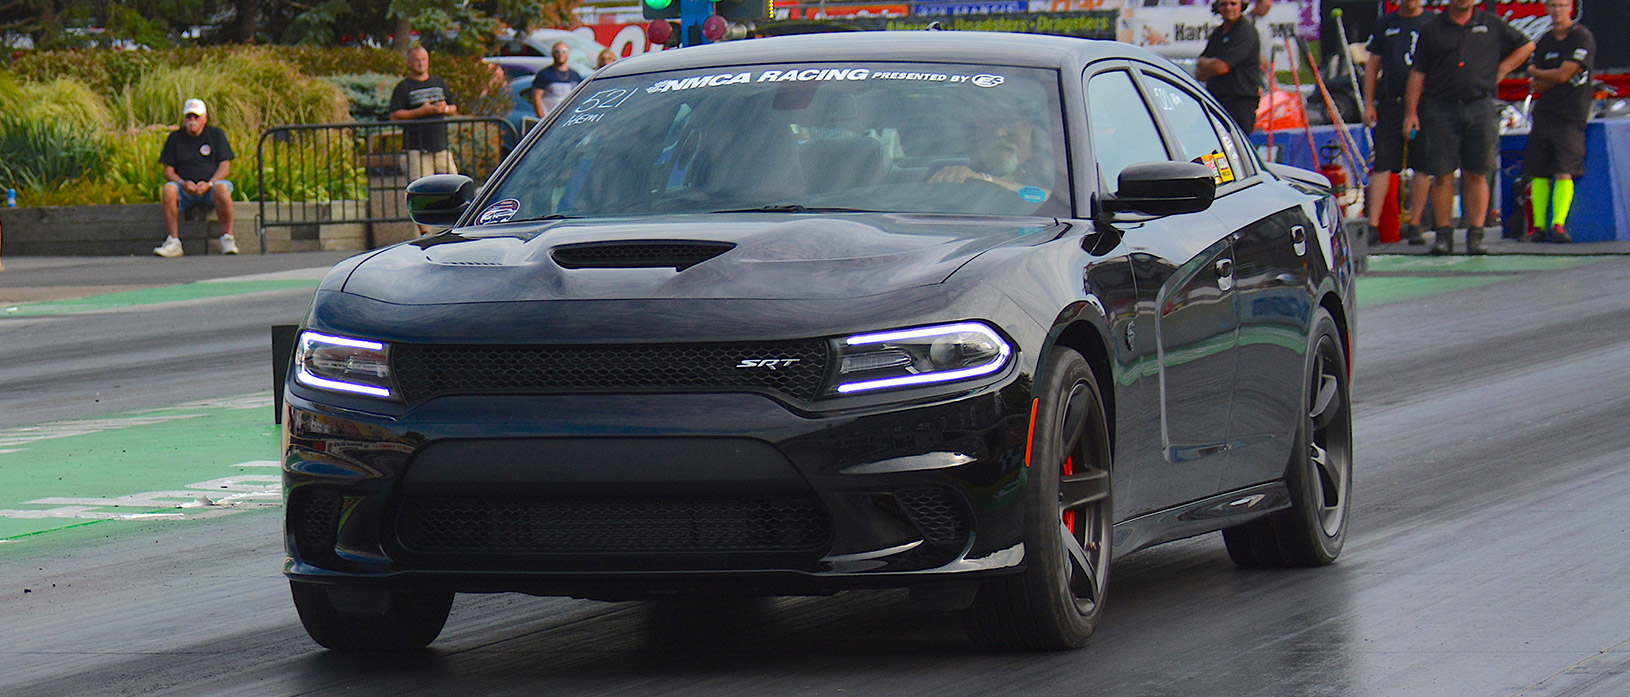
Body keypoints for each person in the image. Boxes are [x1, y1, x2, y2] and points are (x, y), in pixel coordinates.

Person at [1403, 0, 1533, 255]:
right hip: (1441, 107)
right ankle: (1443, 236)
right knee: (1442, 173)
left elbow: (1527, 45)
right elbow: (1417, 73)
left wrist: (1504, 68)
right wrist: (1411, 112)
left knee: (1478, 171)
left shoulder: (1490, 23)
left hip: (1479, 105)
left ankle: (1476, 235)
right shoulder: (1432, 28)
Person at [1361, 0, 1433, 246]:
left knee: (1422, 163)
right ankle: (1373, 224)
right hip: (1391, 102)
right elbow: (1373, 65)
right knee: (1383, 163)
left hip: (1425, 103)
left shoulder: (1431, 22)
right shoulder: (1386, 23)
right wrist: (1369, 102)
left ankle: (1416, 224)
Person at [1523, 0, 1594, 244]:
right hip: (1545, 113)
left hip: (1570, 114)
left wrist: (1541, 73)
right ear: (1546, 9)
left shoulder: (1581, 37)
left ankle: (1559, 224)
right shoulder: (1545, 40)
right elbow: (1537, 83)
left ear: (1571, 8)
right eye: (1553, 5)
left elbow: (1565, 72)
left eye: (1562, 5)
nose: (1557, 11)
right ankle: (1538, 227)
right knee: (1539, 171)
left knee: (1565, 170)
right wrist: (1550, 77)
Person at [155, 98, 237, 257]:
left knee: (222, 188)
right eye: (189, 117)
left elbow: (225, 166)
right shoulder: (175, 138)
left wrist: (210, 183)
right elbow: (168, 171)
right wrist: (182, 183)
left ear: (204, 118)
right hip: (185, 189)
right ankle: (173, 241)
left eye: (196, 117)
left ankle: (228, 238)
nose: (193, 121)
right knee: (169, 189)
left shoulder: (216, 134)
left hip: (210, 187)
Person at [390, 45, 460, 233]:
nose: (421, 63)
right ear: (409, 63)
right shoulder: (403, 87)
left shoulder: (439, 82)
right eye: (417, 60)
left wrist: (443, 109)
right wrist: (420, 112)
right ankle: (424, 231)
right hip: (417, 147)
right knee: (421, 189)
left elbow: (453, 107)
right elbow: (395, 115)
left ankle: (455, 225)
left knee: (453, 184)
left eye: (424, 59)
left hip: (440, 146)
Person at [1196, 0, 1263, 134]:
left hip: (1240, 103)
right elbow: (1198, 73)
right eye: (1224, 4)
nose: (1228, 8)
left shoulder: (1245, 31)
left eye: (1233, 4)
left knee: (1236, 148)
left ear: (1241, 6)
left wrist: (1207, 64)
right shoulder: (1218, 33)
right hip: (1217, 100)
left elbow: (1221, 68)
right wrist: (1211, 66)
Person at [531, 42, 584, 120]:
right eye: (557, 51)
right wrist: (543, 118)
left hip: (568, 118)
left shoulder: (575, 75)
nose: (560, 54)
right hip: (550, 118)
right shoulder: (545, 74)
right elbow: (537, 97)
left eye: (564, 51)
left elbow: (579, 98)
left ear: (568, 54)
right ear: (552, 54)